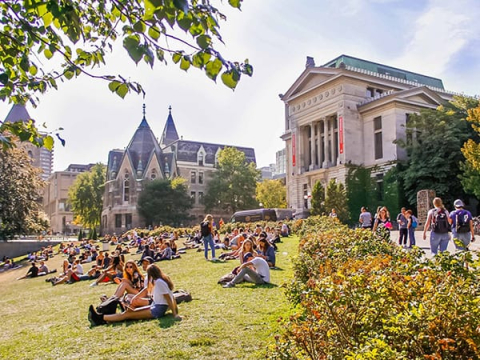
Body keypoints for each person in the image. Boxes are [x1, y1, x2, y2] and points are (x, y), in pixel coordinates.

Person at [88, 264, 181, 326]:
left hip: (157, 309)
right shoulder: (157, 281)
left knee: (128, 314)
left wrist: (175, 314)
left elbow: (169, 298)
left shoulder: (159, 282)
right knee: (128, 313)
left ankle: (99, 318)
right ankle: (102, 317)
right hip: (155, 306)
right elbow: (147, 290)